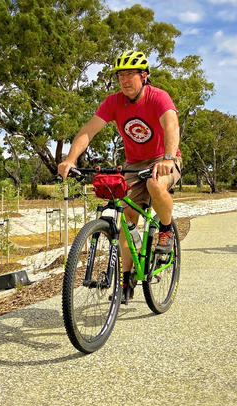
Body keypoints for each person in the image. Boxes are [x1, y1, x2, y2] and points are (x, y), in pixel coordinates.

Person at [58, 50, 182, 302]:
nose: (125, 80)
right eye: (120, 76)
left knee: (155, 183)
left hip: (164, 159)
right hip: (133, 164)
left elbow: (171, 125)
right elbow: (88, 131)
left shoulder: (158, 97)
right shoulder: (114, 102)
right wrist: (70, 160)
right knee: (125, 218)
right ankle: (127, 279)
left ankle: (166, 230)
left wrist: (168, 158)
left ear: (144, 76)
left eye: (130, 75)